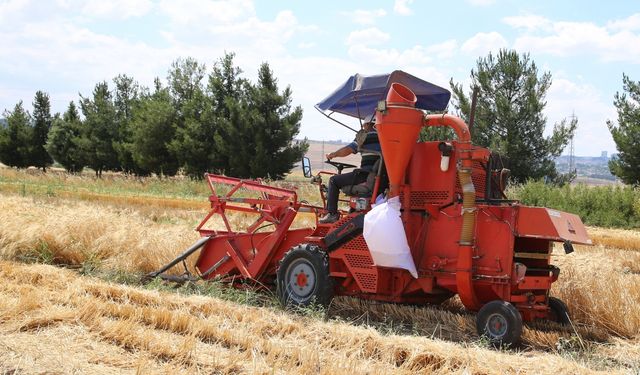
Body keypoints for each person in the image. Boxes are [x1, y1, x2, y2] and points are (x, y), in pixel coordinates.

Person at [319, 117, 381, 224]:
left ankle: (332, 214)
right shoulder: (384, 137)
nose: (363, 127)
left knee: (334, 180)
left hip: (365, 175)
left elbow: (348, 149)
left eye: (363, 126)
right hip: (377, 177)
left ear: (366, 125)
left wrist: (333, 155)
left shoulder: (365, 135)